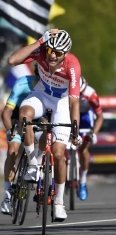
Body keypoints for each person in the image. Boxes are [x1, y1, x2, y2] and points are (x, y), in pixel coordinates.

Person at [7, 29, 82, 221]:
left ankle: (58, 203)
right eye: (51, 51)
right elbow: (12, 61)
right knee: (25, 115)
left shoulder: (72, 65)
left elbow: (74, 102)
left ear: (65, 53)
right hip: (40, 96)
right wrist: (41, 41)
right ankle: (33, 165)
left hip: (61, 103)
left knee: (58, 154)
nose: (53, 56)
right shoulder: (42, 52)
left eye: (58, 53)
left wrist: (75, 128)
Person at [0, 71, 43, 214]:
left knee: (45, 139)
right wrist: (10, 129)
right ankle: (7, 196)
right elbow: (6, 112)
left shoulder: (50, 86)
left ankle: (39, 172)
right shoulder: (22, 83)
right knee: (13, 149)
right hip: (18, 116)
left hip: (39, 117)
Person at [77, 76, 103, 200]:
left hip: (86, 116)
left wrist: (94, 133)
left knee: (83, 150)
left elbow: (100, 117)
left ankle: (82, 181)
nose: (80, 95)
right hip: (72, 114)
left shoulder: (91, 94)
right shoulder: (66, 92)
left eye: (81, 93)